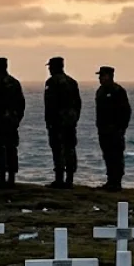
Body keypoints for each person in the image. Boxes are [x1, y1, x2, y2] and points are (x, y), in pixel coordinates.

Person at [0, 57, 25, 188]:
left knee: (0, 150)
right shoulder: (14, 82)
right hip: (11, 122)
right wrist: (16, 119)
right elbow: (21, 104)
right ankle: (11, 179)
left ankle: (2, 178)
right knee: (11, 149)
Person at [43, 57, 81, 189]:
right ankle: (69, 179)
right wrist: (74, 118)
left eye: (50, 67)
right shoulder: (72, 82)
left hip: (57, 123)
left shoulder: (52, 82)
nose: (49, 69)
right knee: (70, 149)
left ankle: (59, 179)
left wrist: (50, 121)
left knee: (58, 150)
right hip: (70, 122)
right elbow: (78, 104)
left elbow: (50, 105)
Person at [95, 66, 131, 191]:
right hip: (103, 130)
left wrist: (121, 128)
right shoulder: (100, 91)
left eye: (102, 76)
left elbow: (126, 111)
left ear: (109, 76)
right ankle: (110, 180)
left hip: (115, 130)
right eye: (100, 76)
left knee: (116, 156)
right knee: (108, 156)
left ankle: (117, 182)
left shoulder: (118, 91)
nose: (100, 78)